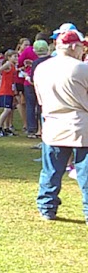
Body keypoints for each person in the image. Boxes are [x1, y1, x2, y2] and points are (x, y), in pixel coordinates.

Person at [32, 28, 88, 223]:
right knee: (85, 173)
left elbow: (40, 99)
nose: (83, 51)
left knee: (51, 171)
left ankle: (46, 207)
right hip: (80, 126)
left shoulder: (42, 68)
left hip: (53, 124)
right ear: (73, 47)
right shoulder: (81, 68)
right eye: (82, 47)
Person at [0, 49, 19, 136]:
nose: (17, 58)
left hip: (10, 91)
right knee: (7, 109)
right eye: (15, 56)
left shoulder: (13, 66)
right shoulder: (8, 64)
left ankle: (6, 128)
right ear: (9, 57)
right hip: (5, 91)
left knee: (10, 110)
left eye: (17, 56)